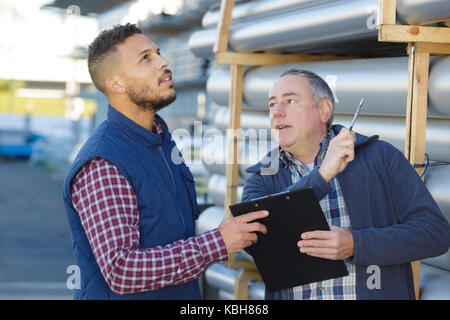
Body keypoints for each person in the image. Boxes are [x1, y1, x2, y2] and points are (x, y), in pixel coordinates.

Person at [62, 23, 268, 300]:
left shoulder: (159, 142)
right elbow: (122, 271)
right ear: (116, 83)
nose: (163, 61)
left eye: (157, 53)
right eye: (145, 58)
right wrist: (218, 242)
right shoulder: (103, 162)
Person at [242, 69, 450, 300]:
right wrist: (321, 177)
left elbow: (435, 234)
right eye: (272, 105)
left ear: (324, 110)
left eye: (290, 101)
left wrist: (356, 244)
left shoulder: (380, 158)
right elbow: (252, 242)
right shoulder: (262, 177)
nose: (277, 112)